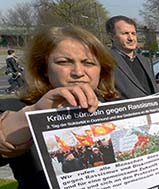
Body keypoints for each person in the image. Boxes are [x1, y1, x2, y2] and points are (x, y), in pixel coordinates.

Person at [0, 25, 119, 188]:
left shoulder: (116, 109)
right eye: (64, 62)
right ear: (44, 69)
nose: (78, 72)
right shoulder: (16, 109)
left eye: (88, 63)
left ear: (101, 70)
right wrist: (34, 113)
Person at [106, 15, 158, 99]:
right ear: (111, 36)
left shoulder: (145, 61)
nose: (131, 38)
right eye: (125, 33)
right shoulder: (105, 61)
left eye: (133, 33)